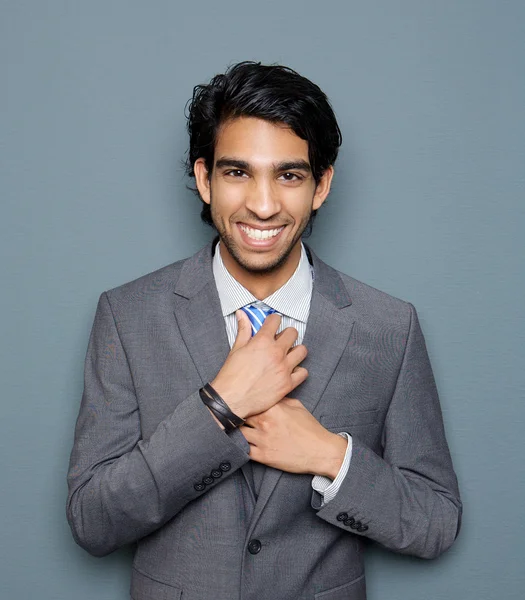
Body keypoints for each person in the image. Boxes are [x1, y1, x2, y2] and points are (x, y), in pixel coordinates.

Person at [66, 61, 462, 600]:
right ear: (205, 179)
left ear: (321, 185)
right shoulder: (127, 315)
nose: (263, 204)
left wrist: (330, 456)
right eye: (237, 173)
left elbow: (435, 520)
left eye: (289, 175)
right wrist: (219, 406)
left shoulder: (389, 327)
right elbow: (93, 521)